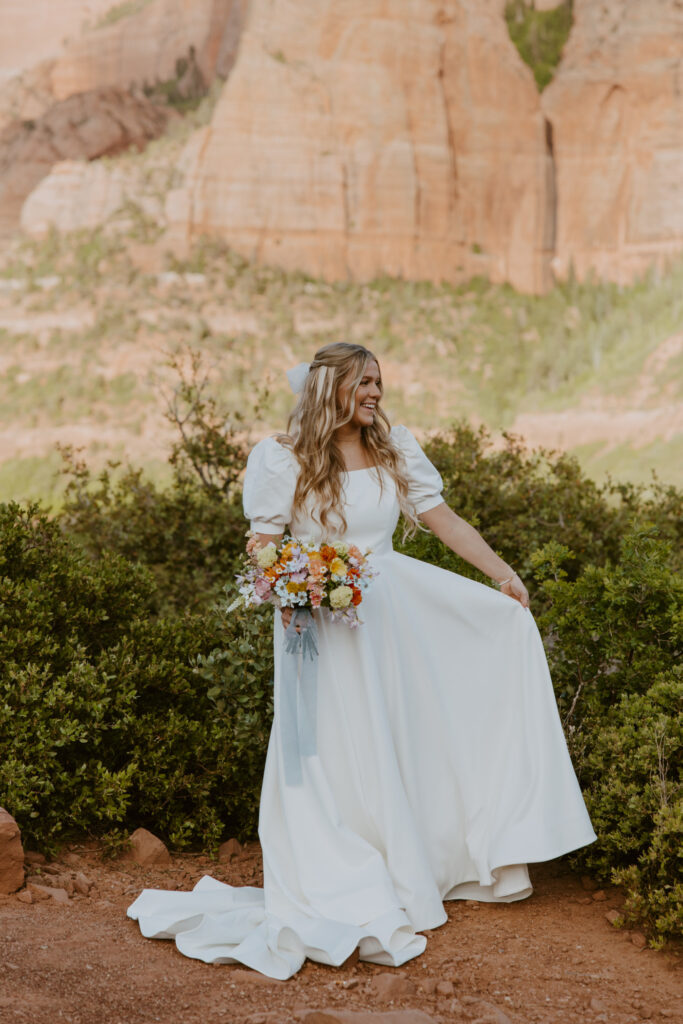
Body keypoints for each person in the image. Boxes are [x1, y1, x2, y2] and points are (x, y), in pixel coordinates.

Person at [127, 342, 597, 979]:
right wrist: (300, 582)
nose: (376, 393)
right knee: (334, 742)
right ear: (333, 389)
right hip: (319, 620)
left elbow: (442, 520)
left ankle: (423, 859)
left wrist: (503, 575)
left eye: (379, 381)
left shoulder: (392, 447)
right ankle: (343, 865)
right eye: (365, 383)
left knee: (406, 728)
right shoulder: (284, 456)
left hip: (393, 613)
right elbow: (261, 546)